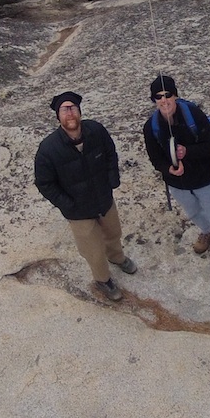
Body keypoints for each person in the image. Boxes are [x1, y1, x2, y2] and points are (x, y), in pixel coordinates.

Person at [33, 91, 137, 301]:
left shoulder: (96, 131)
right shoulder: (48, 149)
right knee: (93, 250)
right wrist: (67, 205)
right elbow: (44, 183)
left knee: (113, 232)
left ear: (79, 111)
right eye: (65, 109)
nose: (70, 113)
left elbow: (110, 153)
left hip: (103, 199)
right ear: (58, 116)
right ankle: (103, 280)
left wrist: (112, 179)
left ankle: (117, 258)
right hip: (78, 211)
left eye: (72, 108)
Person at [143, 75, 210, 272]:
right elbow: (155, 158)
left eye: (167, 94)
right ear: (154, 100)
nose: (164, 100)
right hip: (177, 183)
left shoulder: (193, 115)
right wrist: (167, 169)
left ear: (175, 95)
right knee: (194, 211)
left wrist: (188, 152)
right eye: (158, 96)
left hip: (205, 178)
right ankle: (207, 231)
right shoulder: (151, 127)